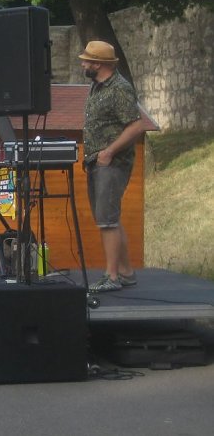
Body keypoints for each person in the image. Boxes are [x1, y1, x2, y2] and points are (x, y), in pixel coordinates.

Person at [79, 40, 147, 293]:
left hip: (112, 162)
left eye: (86, 60)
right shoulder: (97, 87)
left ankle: (112, 276)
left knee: (107, 221)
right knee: (109, 219)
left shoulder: (119, 88)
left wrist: (108, 152)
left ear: (98, 64)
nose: (83, 64)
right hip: (96, 161)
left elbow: (136, 125)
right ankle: (127, 273)